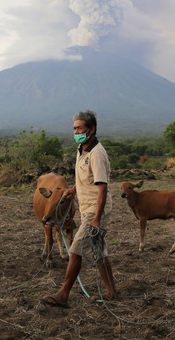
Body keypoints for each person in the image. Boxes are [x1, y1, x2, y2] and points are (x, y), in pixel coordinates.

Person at [41, 110, 118, 308]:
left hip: (95, 209)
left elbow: (102, 187)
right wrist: (74, 190)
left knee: (75, 250)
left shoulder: (97, 154)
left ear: (91, 130)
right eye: (74, 128)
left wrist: (96, 219)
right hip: (86, 207)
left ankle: (63, 294)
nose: (75, 131)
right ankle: (111, 292)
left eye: (79, 128)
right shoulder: (81, 149)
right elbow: (88, 179)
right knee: (99, 251)